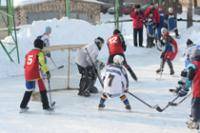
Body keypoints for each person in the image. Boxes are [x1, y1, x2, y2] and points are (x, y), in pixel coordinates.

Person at [19, 38, 53, 113]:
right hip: (35, 75)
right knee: (42, 90)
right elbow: (42, 63)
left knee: (29, 90)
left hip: (27, 74)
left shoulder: (29, 53)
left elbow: (25, 65)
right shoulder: (39, 53)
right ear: (40, 46)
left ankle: (23, 106)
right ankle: (46, 107)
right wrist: (47, 72)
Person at [177, 46, 200, 129]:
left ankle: (195, 121)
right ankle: (194, 118)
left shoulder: (193, 65)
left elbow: (189, 79)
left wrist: (185, 88)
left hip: (197, 91)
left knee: (195, 105)